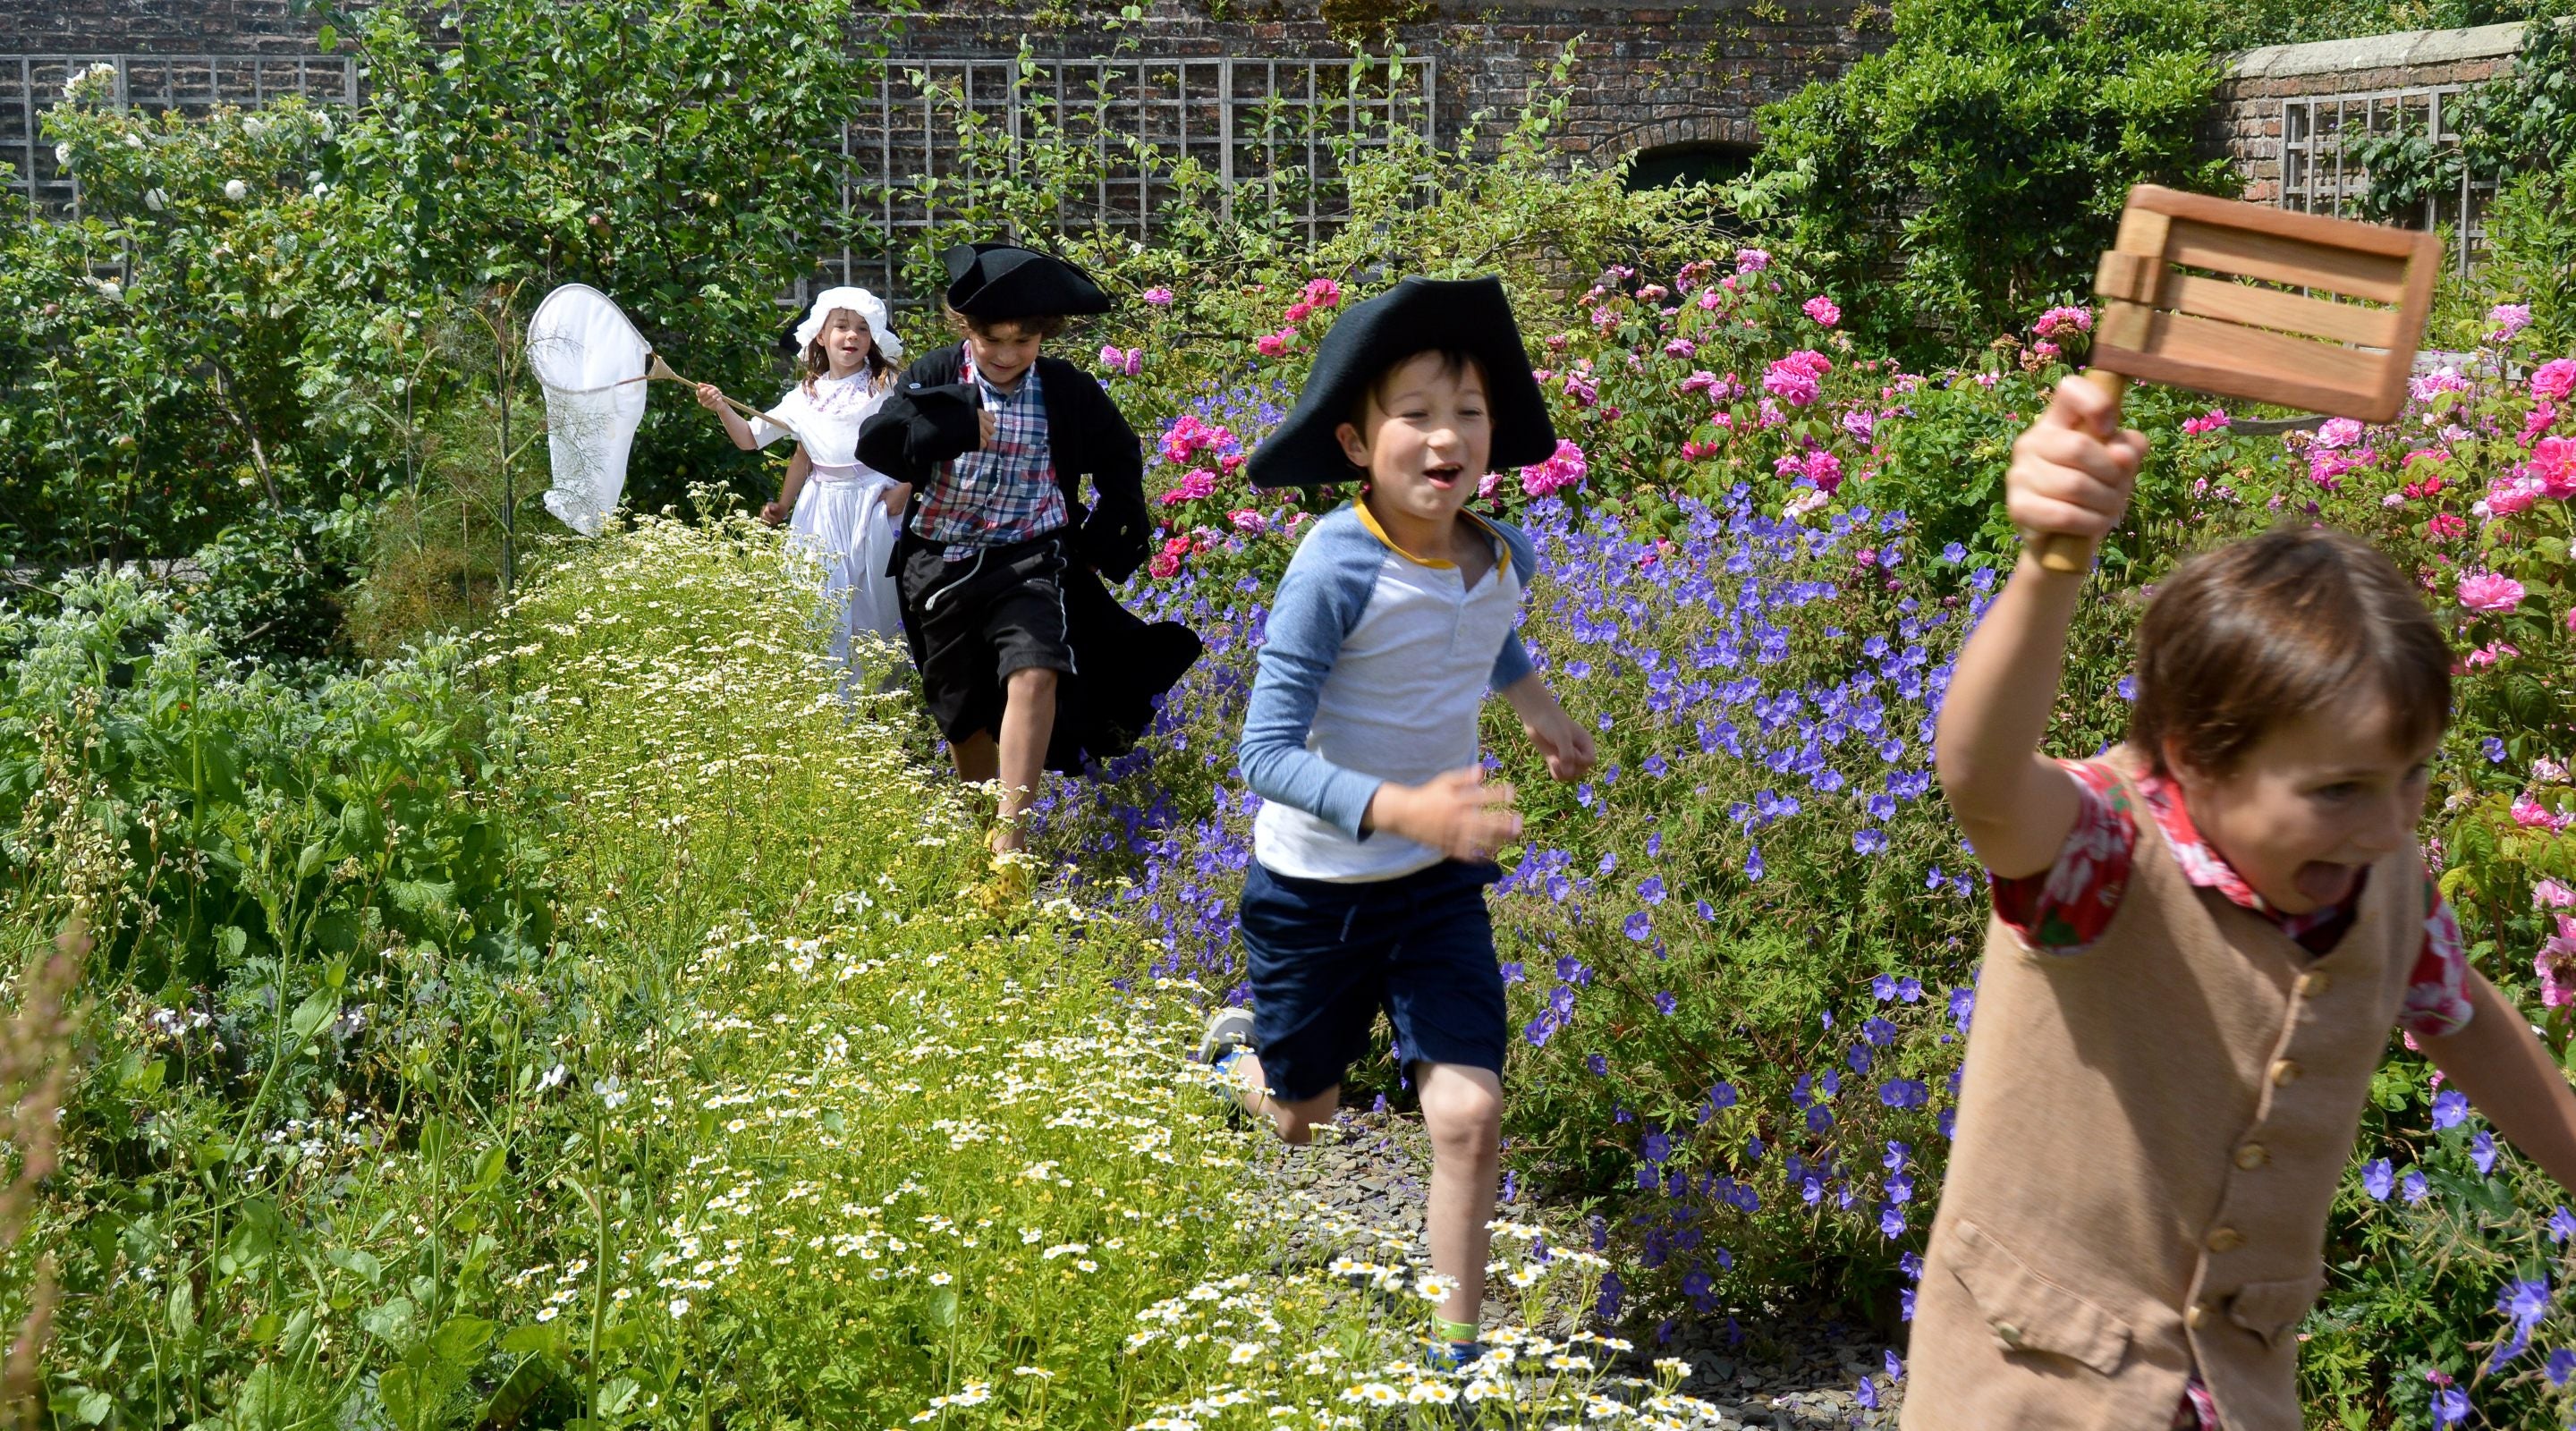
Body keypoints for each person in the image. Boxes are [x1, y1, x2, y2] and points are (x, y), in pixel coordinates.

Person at [1909, 374, 2576, 1431]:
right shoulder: (2101, 852)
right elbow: (1982, 777)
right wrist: (2049, 561)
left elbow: (2463, 1019)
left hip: (2235, 1391)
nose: (2387, 823)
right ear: (2195, 759)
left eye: (2412, 775)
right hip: (2033, 1384)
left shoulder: (2384, 883)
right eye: (2338, 791)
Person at [1192, 276, 1597, 1373]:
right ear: (1356, 440)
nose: (1446, 436)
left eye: (1468, 412)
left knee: (1466, 1113)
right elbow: (1261, 753)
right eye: (1414, 412)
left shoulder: (1501, 553)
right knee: (1301, 1117)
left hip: (1433, 887)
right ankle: (1244, 1065)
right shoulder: (1334, 562)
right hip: (1315, 887)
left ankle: (1457, 1357)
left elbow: (1487, 632)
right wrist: (1403, 804)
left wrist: (1542, 712)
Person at [858, 242, 1198, 905]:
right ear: (966, 329)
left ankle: (1011, 849)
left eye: (1024, 339)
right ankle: (983, 833)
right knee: (963, 715)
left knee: (1036, 667)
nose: (1007, 353)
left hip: (1031, 555)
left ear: (1045, 335)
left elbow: (1119, 455)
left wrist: (1112, 530)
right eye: (993, 339)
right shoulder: (933, 374)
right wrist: (950, 424)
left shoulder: (1065, 390)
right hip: (941, 563)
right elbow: (878, 444)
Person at [695, 287, 905, 688]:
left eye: (862, 328)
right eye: (841, 326)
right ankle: (833, 706)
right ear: (820, 336)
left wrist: (907, 487)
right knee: (821, 601)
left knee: (876, 604)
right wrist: (722, 406)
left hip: (875, 502)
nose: (851, 336)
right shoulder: (804, 397)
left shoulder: (885, 385)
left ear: (873, 337)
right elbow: (756, 441)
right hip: (822, 507)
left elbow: (922, 437)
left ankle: (887, 704)